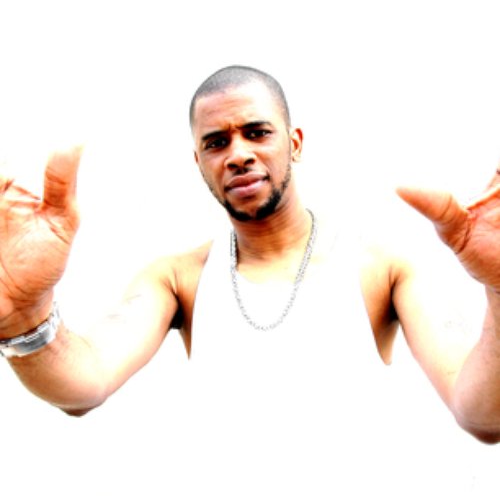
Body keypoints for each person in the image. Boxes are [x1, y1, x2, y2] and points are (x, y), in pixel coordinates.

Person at [1, 65, 499, 491]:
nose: (237, 154)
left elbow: (481, 414)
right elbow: (83, 385)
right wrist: (25, 315)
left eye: (257, 132)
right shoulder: (177, 279)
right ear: (199, 162)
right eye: (216, 142)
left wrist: (498, 290)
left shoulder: (384, 269)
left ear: (294, 143)